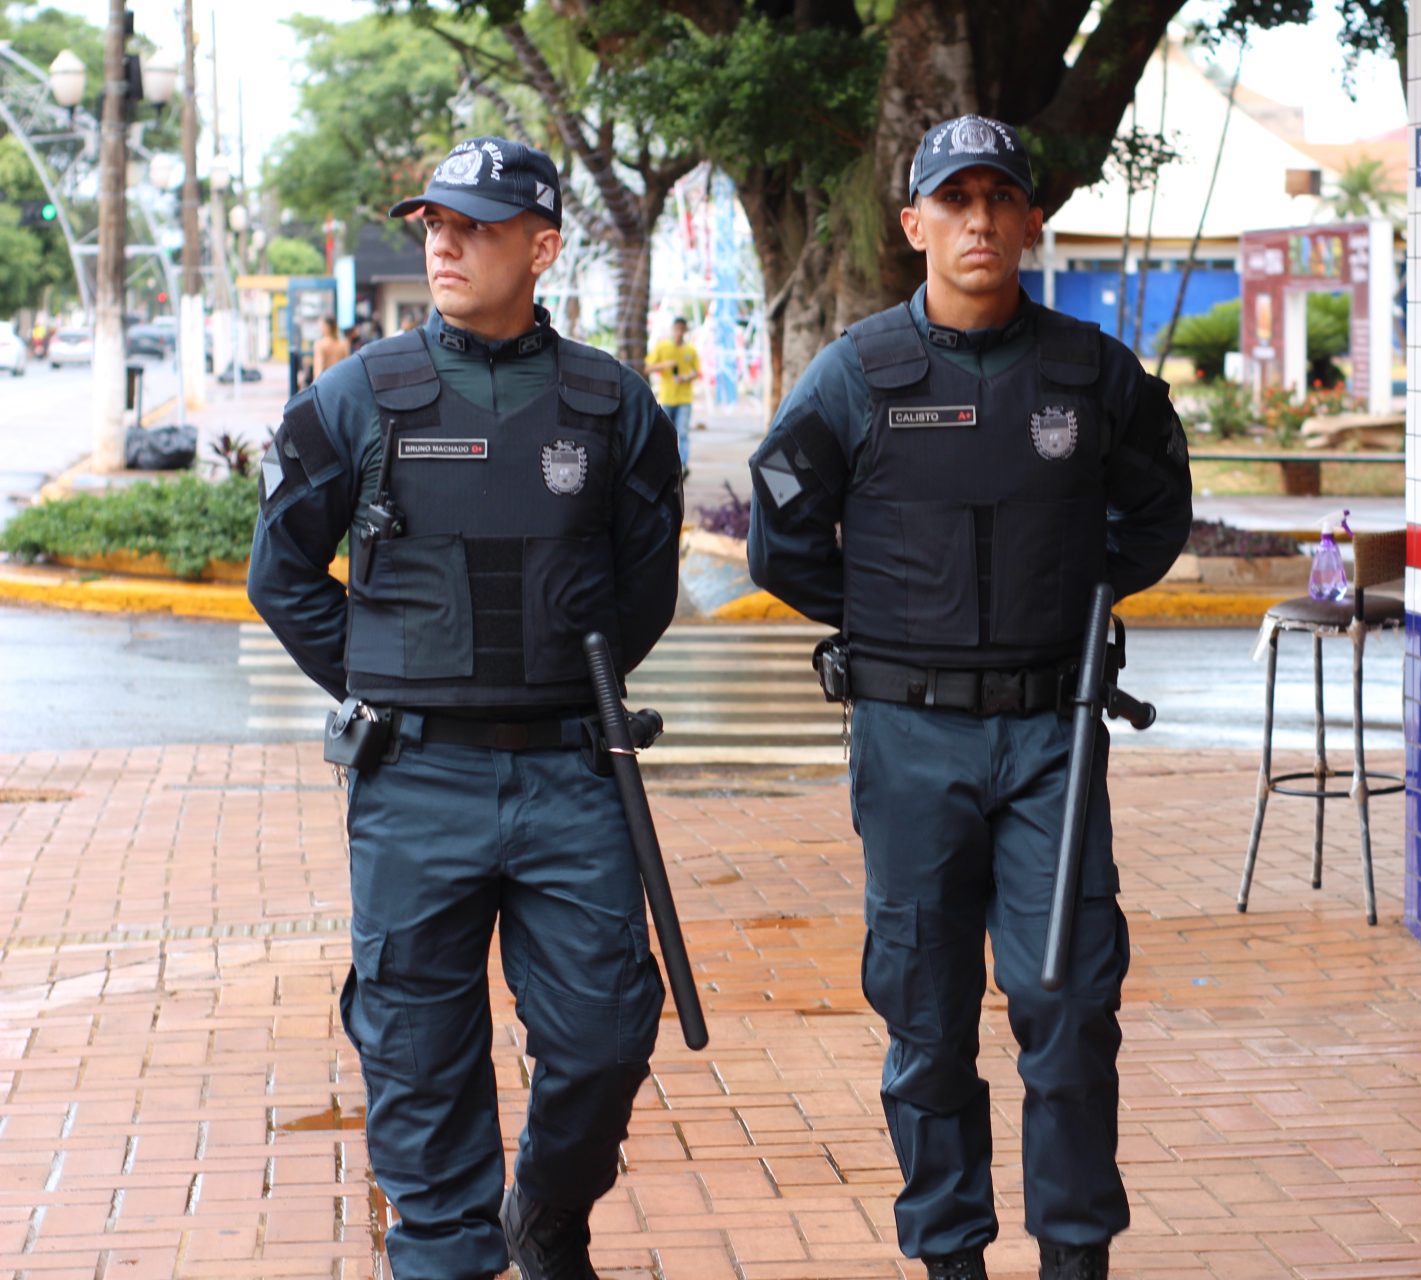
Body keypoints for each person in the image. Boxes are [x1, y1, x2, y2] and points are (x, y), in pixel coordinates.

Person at [746, 115, 1192, 1280]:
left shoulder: (1093, 374)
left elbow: (1155, 517)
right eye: (955, 200)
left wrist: (1068, 593)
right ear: (914, 225)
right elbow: (782, 540)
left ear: (1032, 220)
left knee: (1070, 1004)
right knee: (927, 1016)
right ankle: (948, 1254)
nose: (979, 220)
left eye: (1001, 198)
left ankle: (1074, 1256)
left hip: (1054, 732)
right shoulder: (857, 373)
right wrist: (894, 616)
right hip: (910, 737)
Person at [246, 136, 684, 1280]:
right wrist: (391, 675)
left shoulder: (610, 402)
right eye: (436, 221)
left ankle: (544, 1205)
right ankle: (446, 1255)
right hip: (416, 780)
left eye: (476, 225)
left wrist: (555, 682)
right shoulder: (357, 396)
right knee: (420, 1059)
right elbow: (281, 571)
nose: (444, 240)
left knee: (603, 1036)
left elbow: (645, 583)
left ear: (541, 246)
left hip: (574, 778)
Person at [644, 316, 699, 474]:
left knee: (682, 432)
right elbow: (647, 367)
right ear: (673, 329)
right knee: (666, 432)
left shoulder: (691, 350)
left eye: (682, 329)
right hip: (667, 397)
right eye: (677, 329)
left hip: (684, 398)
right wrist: (665, 364)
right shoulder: (662, 347)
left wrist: (687, 377)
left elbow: (696, 371)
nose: (679, 332)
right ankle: (665, 464)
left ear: (685, 330)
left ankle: (682, 466)